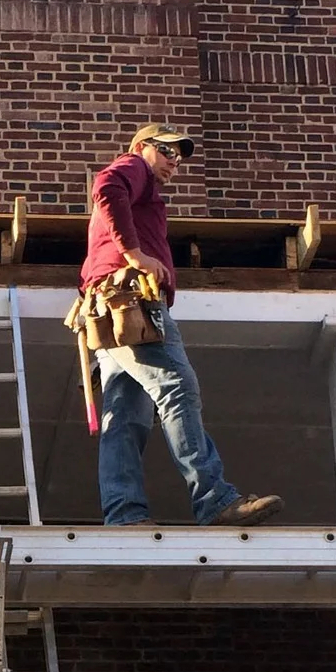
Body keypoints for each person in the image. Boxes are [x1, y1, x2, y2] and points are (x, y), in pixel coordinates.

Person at [82, 123, 283, 527]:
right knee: (177, 389)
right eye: (167, 151)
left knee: (124, 417)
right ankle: (215, 500)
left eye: (180, 156)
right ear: (142, 147)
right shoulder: (133, 166)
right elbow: (105, 186)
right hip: (130, 300)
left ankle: (124, 515)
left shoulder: (142, 185)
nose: (175, 162)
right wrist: (135, 253)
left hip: (107, 308)